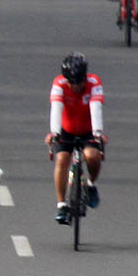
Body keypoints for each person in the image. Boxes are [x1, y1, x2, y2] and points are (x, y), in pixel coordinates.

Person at [46, 53, 107, 225]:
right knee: (62, 159)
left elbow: (96, 109)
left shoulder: (94, 82)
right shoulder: (59, 84)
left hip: (88, 130)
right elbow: (56, 109)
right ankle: (61, 205)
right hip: (66, 130)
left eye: (79, 82)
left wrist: (98, 132)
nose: (75, 86)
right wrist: (54, 133)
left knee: (91, 156)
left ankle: (91, 185)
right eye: (71, 82)